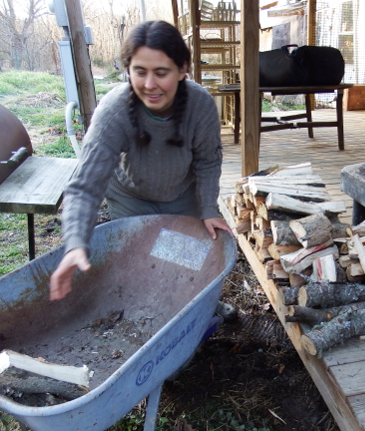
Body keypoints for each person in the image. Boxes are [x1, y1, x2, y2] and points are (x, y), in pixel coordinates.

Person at [50, 20, 232, 301]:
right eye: (139, 72)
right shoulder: (114, 111)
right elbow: (85, 186)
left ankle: (195, 310)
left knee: (185, 261)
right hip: (130, 197)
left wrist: (208, 208)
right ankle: (149, 313)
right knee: (144, 263)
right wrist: (75, 243)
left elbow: (208, 161)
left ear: (183, 69)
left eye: (161, 73)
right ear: (128, 70)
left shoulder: (201, 105)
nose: (149, 85)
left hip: (182, 194)